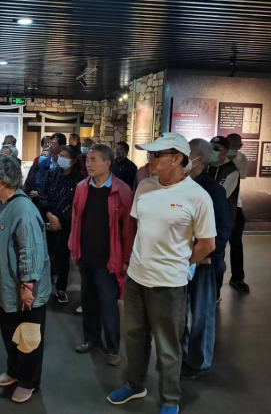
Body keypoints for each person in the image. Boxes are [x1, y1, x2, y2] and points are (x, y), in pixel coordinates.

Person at [107, 133, 216, 414]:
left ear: (177, 158)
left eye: (156, 154)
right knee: (134, 337)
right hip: (137, 278)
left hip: (169, 284)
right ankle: (134, 385)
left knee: (168, 346)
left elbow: (207, 244)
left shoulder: (197, 197)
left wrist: (182, 263)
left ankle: (169, 399)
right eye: (150, 153)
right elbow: (136, 228)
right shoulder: (144, 186)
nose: (149, 159)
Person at [0, 154, 51, 403]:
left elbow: (30, 251)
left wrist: (27, 286)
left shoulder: (23, 210)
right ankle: (14, 371)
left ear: (2, 180)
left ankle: (29, 381)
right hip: (7, 285)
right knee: (10, 331)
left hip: (25, 289)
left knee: (28, 336)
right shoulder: (2, 202)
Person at [69, 144, 136, 367]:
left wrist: (125, 259)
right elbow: (76, 220)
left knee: (109, 304)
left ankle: (113, 347)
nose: (88, 164)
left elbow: (128, 229)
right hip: (86, 255)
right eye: (87, 160)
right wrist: (74, 248)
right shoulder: (82, 187)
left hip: (109, 259)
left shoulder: (121, 190)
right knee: (88, 301)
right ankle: (90, 339)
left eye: (94, 160)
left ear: (108, 163)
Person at [181, 139, 232, 379]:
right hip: (180, 261)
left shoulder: (213, 190)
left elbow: (222, 230)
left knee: (201, 314)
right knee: (179, 312)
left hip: (203, 263)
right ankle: (180, 354)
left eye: (187, 154)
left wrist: (205, 256)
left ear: (198, 159)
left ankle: (198, 360)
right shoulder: (180, 185)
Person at [39, 145, 83, 303]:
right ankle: (44, 287)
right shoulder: (51, 174)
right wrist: (49, 215)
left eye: (65, 156)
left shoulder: (79, 179)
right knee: (46, 255)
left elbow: (77, 204)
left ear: (73, 160)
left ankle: (61, 288)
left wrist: (60, 220)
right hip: (48, 219)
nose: (61, 159)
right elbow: (42, 194)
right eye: (60, 155)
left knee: (62, 257)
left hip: (66, 224)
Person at [208, 136, 243, 296]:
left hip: (222, 218)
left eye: (216, 148)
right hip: (204, 217)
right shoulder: (205, 167)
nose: (213, 151)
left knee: (217, 254)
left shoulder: (231, 171)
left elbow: (222, 195)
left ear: (225, 151)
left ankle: (215, 291)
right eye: (210, 147)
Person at [226, 133, 250, 293]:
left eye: (237, 145)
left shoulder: (241, 158)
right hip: (218, 205)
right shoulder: (215, 159)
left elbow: (241, 177)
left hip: (235, 205)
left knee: (236, 242)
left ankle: (237, 277)